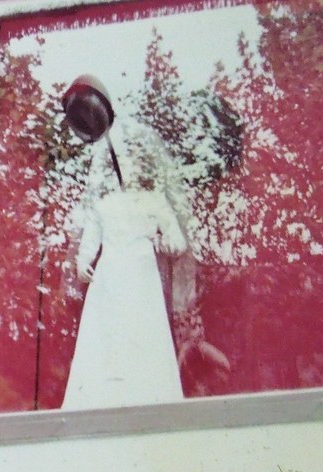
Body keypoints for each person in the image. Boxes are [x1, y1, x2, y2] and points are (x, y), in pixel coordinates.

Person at [60, 76, 190, 410]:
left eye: (133, 159)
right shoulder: (106, 203)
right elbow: (92, 230)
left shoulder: (153, 201)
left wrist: (168, 242)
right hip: (109, 278)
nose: (127, 166)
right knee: (106, 343)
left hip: (141, 276)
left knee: (142, 341)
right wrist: (83, 261)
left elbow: (176, 240)